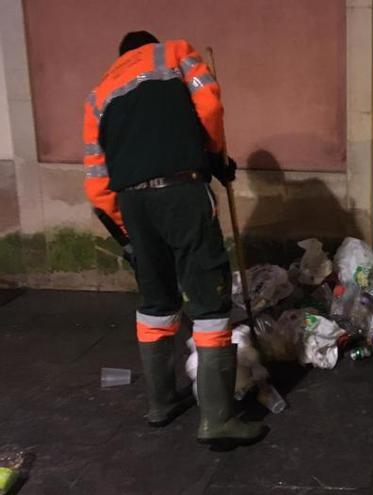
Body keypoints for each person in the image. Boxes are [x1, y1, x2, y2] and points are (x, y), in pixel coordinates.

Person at [82, 31, 267, 450]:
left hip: (132, 202)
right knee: (207, 299)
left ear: (121, 55)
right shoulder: (175, 53)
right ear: (149, 45)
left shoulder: (98, 95)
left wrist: (127, 233)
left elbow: (96, 184)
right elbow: (210, 105)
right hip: (181, 191)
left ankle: (161, 403)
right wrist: (214, 157)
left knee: (155, 304)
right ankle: (218, 420)